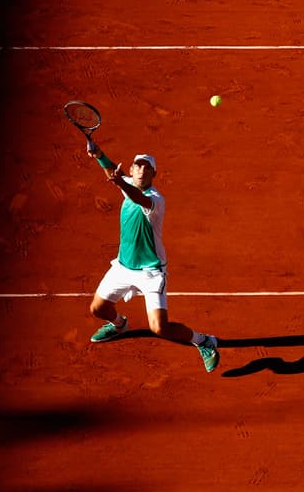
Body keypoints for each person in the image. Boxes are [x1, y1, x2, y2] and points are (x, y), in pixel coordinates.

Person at [83, 142, 220, 372]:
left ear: (154, 174)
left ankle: (204, 341)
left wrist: (119, 182)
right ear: (132, 169)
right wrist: (98, 154)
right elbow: (110, 171)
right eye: (138, 166)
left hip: (150, 272)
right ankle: (119, 325)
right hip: (123, 268)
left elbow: (138, 198)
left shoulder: (155, 200)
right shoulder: (126, 183)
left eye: (148, 168)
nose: (143, 170)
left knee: (159, 327)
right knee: (97, 309)